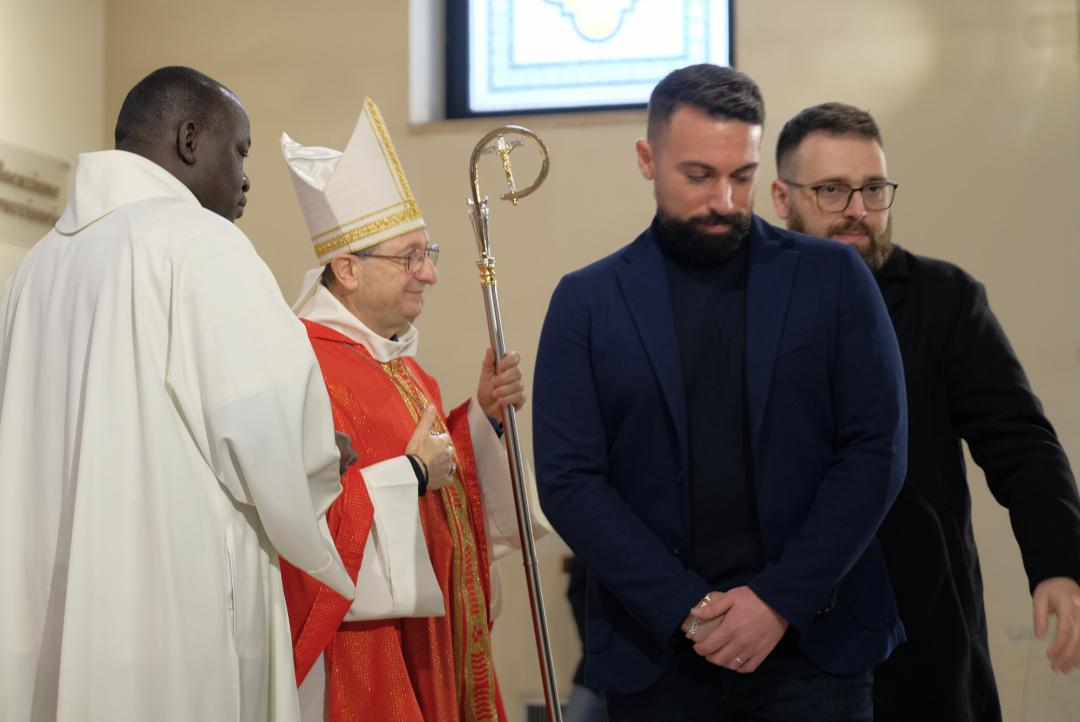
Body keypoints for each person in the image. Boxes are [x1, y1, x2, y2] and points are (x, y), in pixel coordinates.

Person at [532, 63, 908, 721]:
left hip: (812, 647)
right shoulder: (587, 302)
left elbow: (876, 448)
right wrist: (686, 605)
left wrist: (778, 600)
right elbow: (570, 480)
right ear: (648, 159)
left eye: (742, 175)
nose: (725, 201)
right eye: (699, 176)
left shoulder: (833, 278)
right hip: (657, 655)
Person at [0, 66, 356, 722]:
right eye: (240, 151)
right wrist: (322, 453)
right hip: (166, 619)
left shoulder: (33, 270)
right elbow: (267, 432)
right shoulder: (201, 242)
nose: (246, 179)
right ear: (190, 140)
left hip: (46, 613)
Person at [770, 101, 1080, 721]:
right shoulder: (747, 303)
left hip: (923, 625)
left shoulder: (945, 298)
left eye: (873, 189)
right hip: (785, 636)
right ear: (782, 198)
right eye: (831, 190)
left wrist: (1059, 563)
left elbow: (1019, 440)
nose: (858, 209)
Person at [278, 98, 531, 722]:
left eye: (429, 252)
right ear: (347, 269)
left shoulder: (404, 367)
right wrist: (410, 475)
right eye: (409, 258)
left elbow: (442, 488)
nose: (429, 274)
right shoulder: (298, 366)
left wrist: (482, 420)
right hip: (359, 653)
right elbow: (301, 522)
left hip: (428, 643)